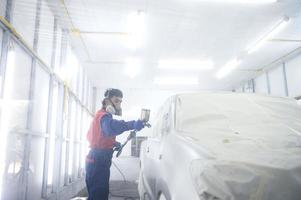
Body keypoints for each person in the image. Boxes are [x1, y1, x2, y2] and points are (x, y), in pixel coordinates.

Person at [85, 88, 145, 200]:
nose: (119, 104)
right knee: (99, 194)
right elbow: (110, 128)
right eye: (116, 101)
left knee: (98, 193)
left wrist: (113, 143)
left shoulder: (103, 116)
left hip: (98, 158)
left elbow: (101, 136)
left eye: (120, 101)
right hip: (98, 159)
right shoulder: (104, 116)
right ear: (107, 101)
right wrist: (132, 124)